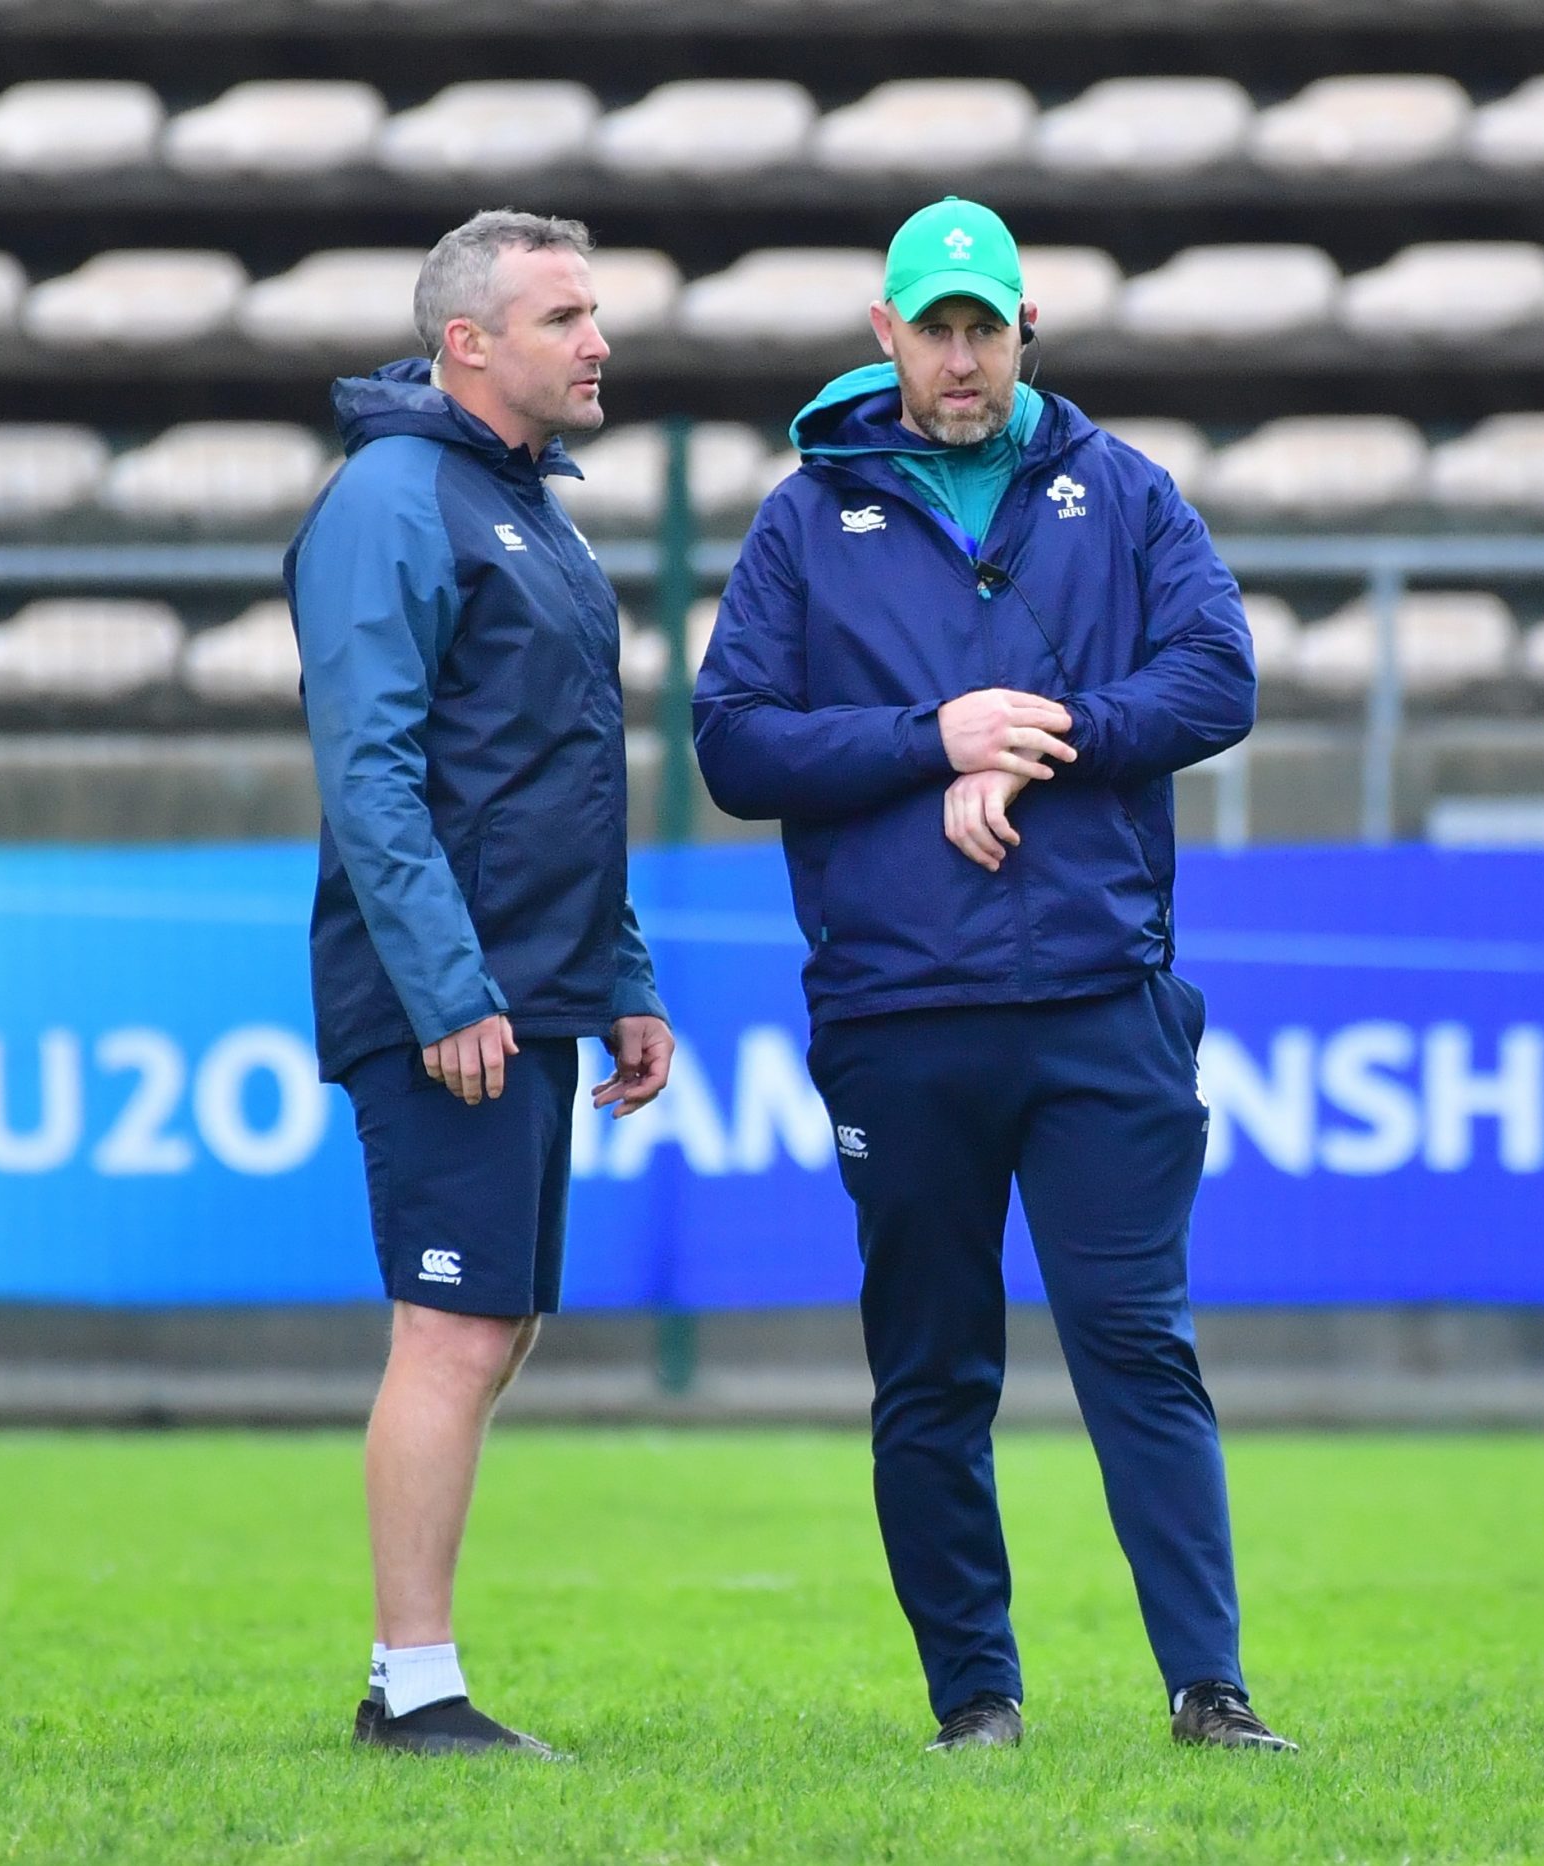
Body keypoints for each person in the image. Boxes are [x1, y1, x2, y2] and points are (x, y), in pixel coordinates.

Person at [694, 196, 1294, 1755]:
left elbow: (1219, 676)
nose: (962, 358)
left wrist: (1039, 732)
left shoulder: (1125, 491)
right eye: (933, 328)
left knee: (1139, 1346)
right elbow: (735, 742)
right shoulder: (803, 521)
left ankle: (1209, 1690)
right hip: (902, 1014)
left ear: (1029, 331)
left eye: (987, 326)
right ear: (883, 334)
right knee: (934, 1372)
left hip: (1101, 998)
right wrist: (931, 741)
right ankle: (978, 1701)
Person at [283, 209, 676, 1758]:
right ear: (469, 342)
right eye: (564, 315)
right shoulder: (392, 500)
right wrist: (449, 989)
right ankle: (416, 1689)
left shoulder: (526, 509)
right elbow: (370, 774)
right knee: (449, 1332)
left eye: (595, 312)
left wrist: (619, 974)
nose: (597, 340)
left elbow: (566, 776)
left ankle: (411, 1677)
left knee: (490, 1327)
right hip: (448, 1001)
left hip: (532, 990)